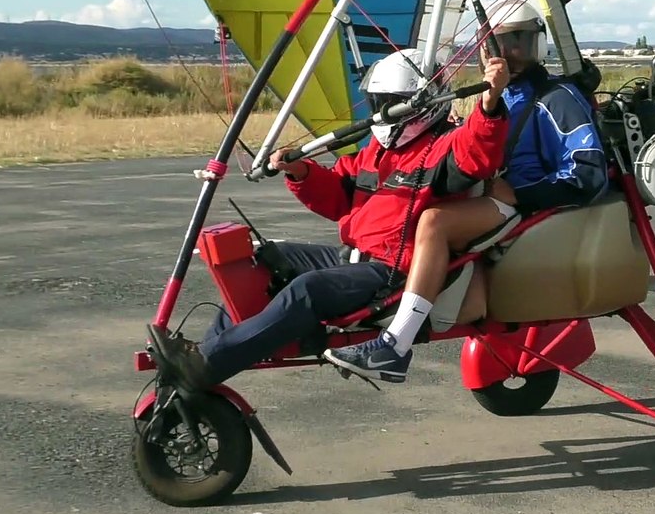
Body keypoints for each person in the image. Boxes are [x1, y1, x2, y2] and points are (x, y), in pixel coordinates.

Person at [145, 47, 512, 394]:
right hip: (354, 256)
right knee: (265, 261)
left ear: (419, 105)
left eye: (390, 104)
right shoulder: (376, 151)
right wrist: (301, 172)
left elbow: (479, 152)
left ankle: (209, 362)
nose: (382, 112)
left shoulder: (447, 144)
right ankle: (208, 353)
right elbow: (339, 195)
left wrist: (490, 104)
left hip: (392, 271)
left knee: (308, 290)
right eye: (378, 103)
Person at [321, 0, 609, 383]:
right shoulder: (497, 95)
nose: (512, 55)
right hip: (490, 200)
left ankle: (395, 343)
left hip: (535, 210)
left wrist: (522, 194)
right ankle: (381, 302)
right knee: (406, 203)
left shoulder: (558, 99)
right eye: (500, 45)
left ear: (538, 44)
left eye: (521, 42)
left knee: (434, 221)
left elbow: (589, 173)